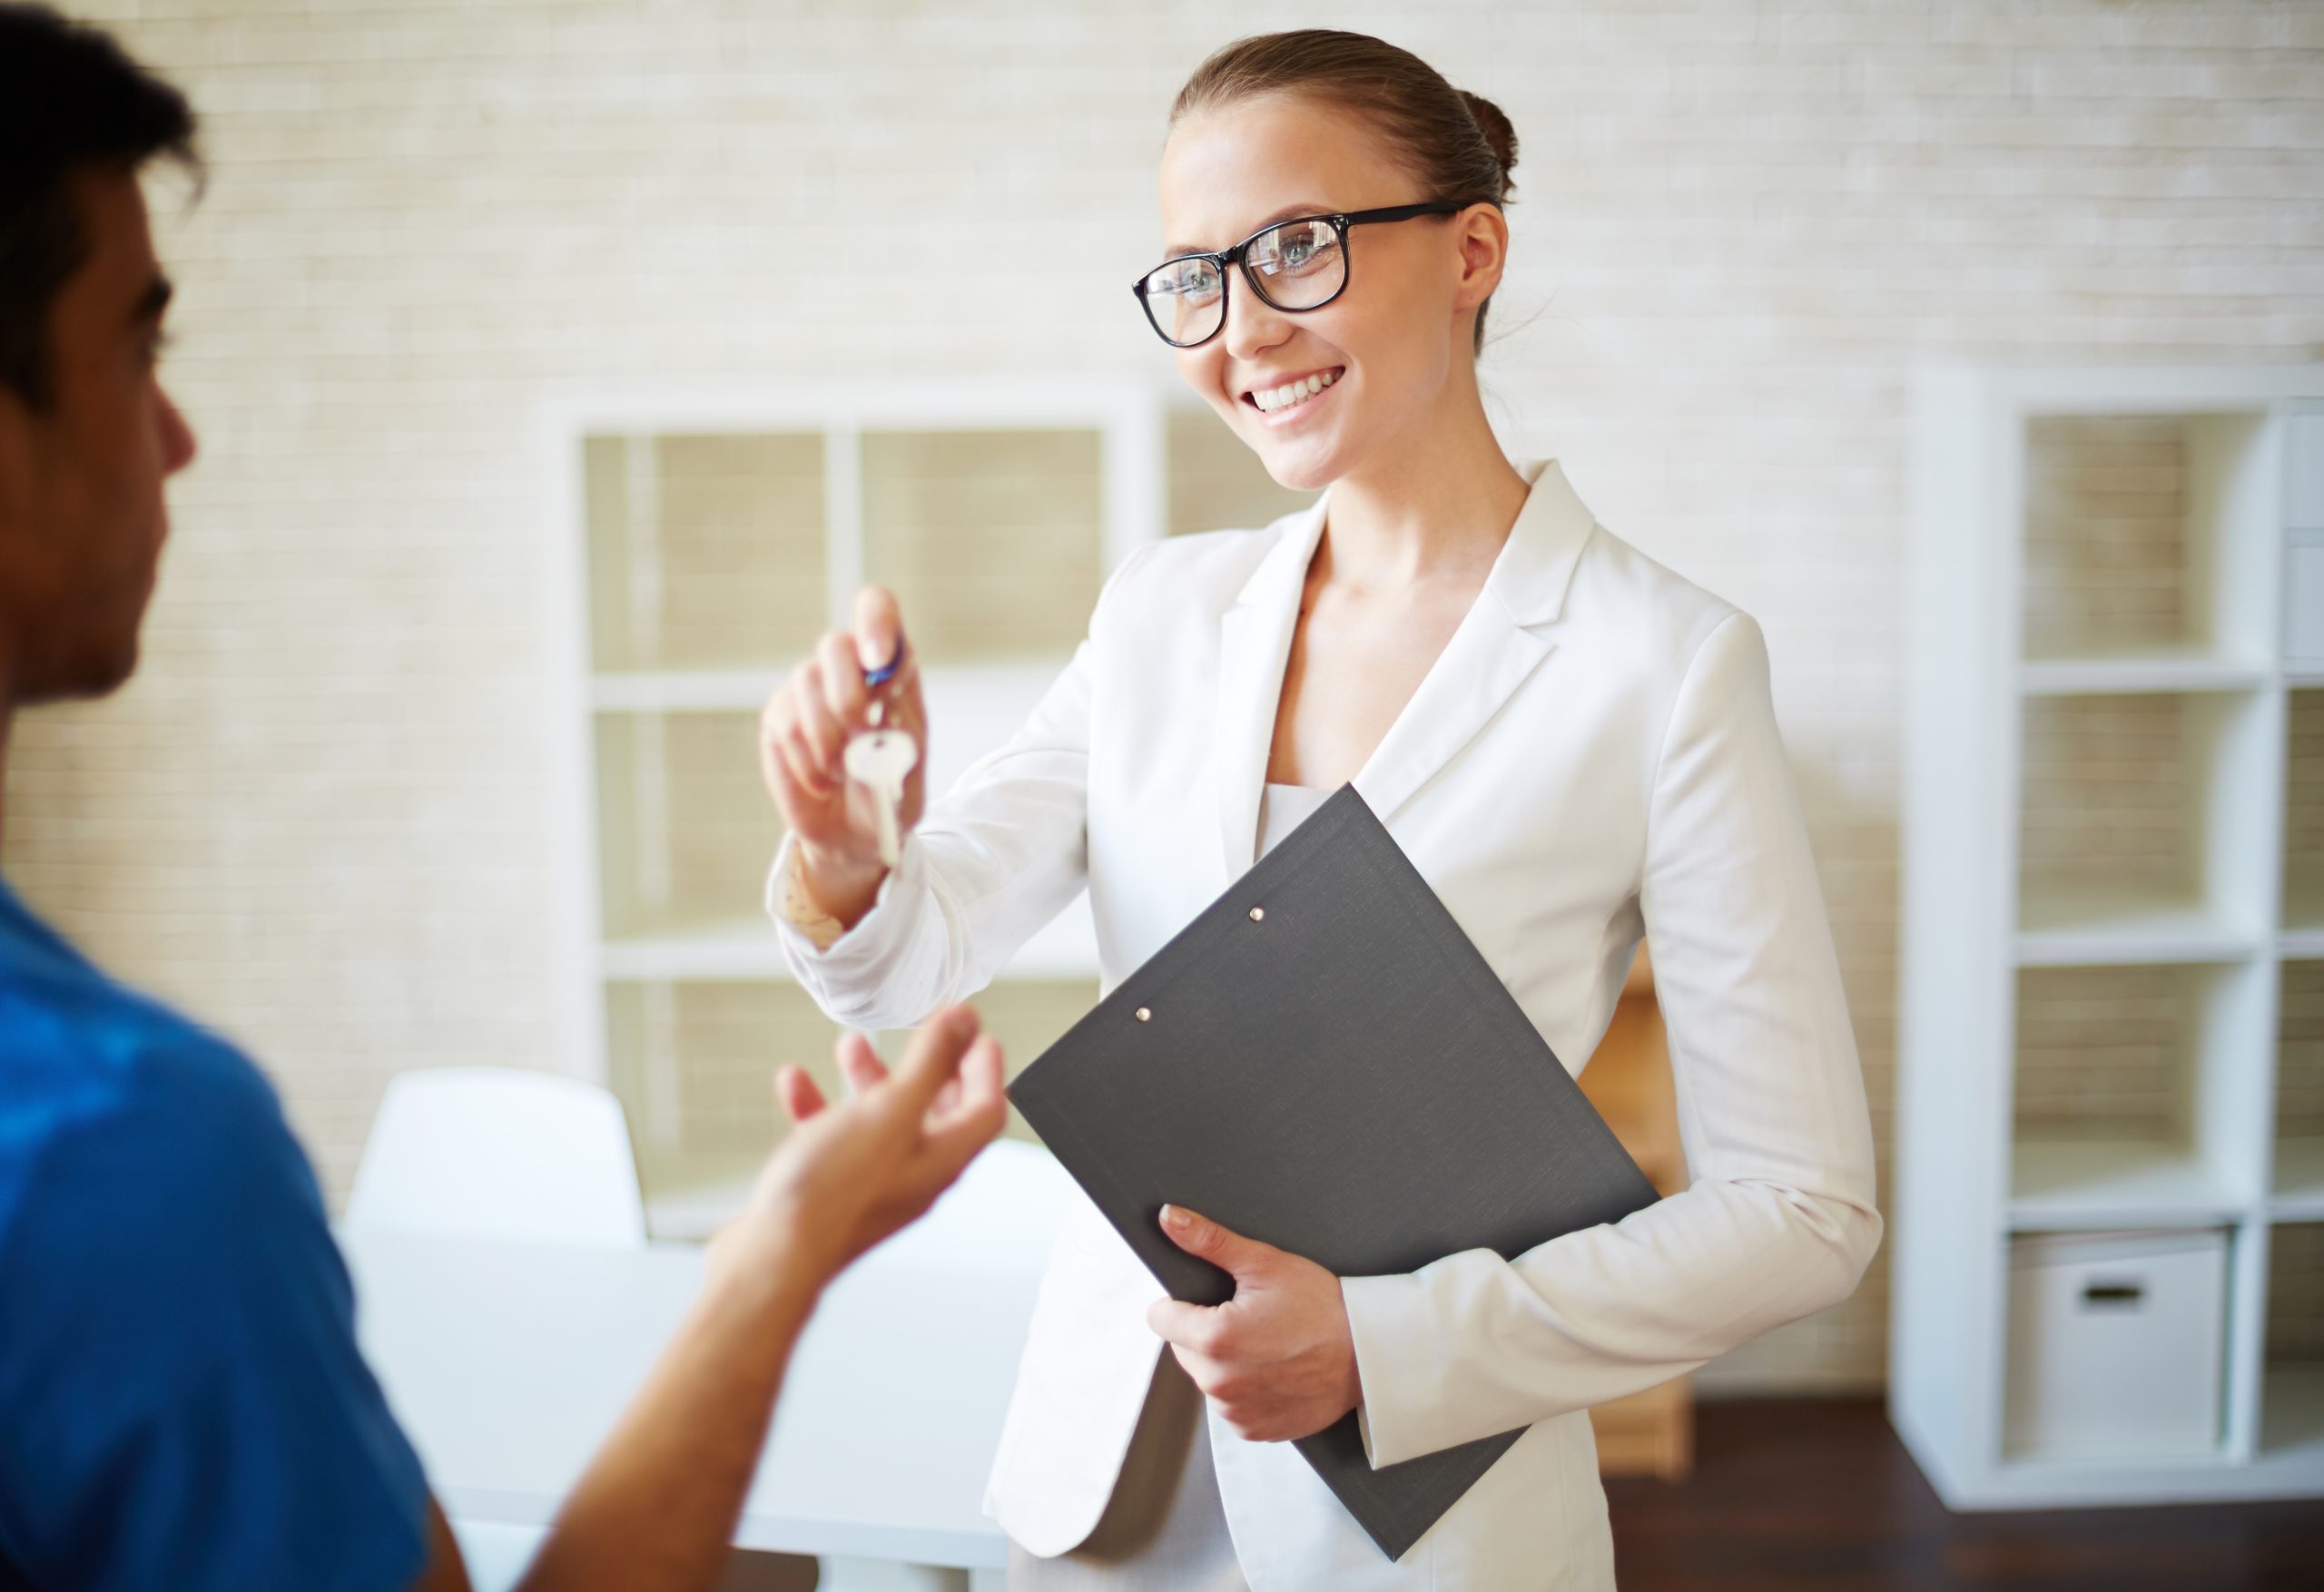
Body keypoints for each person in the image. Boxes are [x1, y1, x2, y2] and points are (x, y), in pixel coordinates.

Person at [757, 26, 1884, 1592]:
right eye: (1193, 277)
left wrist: (1385, 1343)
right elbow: (902, 961)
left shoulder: (1665, 666)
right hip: (1105, 1497)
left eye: (1296, 248)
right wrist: (843, 852)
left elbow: (1802, 1209)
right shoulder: (1160, 611)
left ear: (1472, 247)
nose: (1240, 330)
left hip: (1433, 1524)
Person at [0, 7, 1006, 1589]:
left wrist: (846, 864)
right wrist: (776, 1255)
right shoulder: (127, 1152)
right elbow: (907, 948)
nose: (178, 434)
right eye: (138, 346)